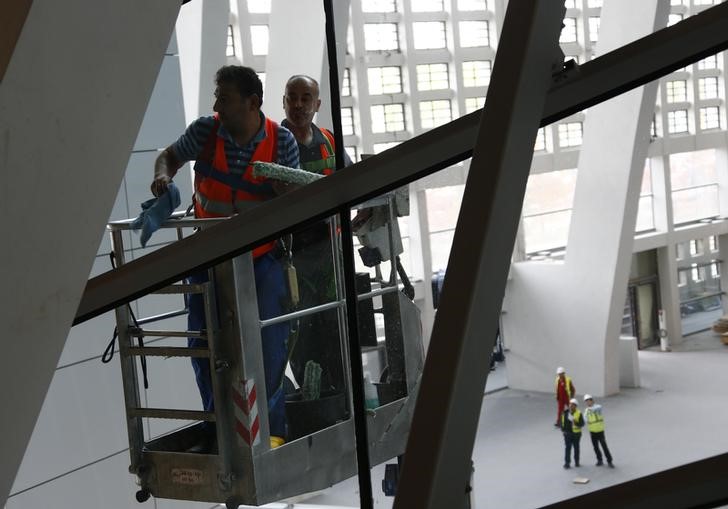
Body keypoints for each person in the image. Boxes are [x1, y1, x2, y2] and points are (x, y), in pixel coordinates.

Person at [151, 65, 300, 451]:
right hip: (209, 255)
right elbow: (168, 156)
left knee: (268, 344)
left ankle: (271, 431)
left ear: (252, 103)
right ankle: (222, 429)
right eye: (217, 97)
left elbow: (299, 205)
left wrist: (285, 193)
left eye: (225, 98)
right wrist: (163, 178)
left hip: (261, 258)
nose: (216, 104)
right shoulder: (206, 131)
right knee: (204, 343)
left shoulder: (281, 142)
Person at [281, 74, 352, 396]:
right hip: (290, 259)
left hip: (329, 254)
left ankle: (343, 392)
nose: (298, 104)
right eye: (291, 97)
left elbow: (353, 182)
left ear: (317, 104)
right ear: (284, 102)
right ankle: (313, 397)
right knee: (301, 333)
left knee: (338, 326)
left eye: (305, 97)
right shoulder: (273, 142)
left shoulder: (329, 140)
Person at [583, 394, 614, 468]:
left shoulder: (598, 407)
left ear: (592, 400)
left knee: (604, 446)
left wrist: (590, 409)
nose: (587, 403)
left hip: (600, 431)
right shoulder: (586, 411)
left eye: (589, 401)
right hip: (592, 432)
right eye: (586, 401)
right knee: (595, 447)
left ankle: (609, 461)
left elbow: (597, 408)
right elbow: (585, 419)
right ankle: (599, 460)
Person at [561, 398, 584, 469]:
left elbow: (582, 424)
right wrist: (563, 430)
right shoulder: (565, 413)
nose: (571, 406)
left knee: (576, 448)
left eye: (573, 405)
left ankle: (577, 462)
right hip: (567, 434)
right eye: (570, 404)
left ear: (576, 406)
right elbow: (562, 422)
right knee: (568, 448)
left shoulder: (579, 413)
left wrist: (575, 422)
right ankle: (567, 463)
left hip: (576, 434)